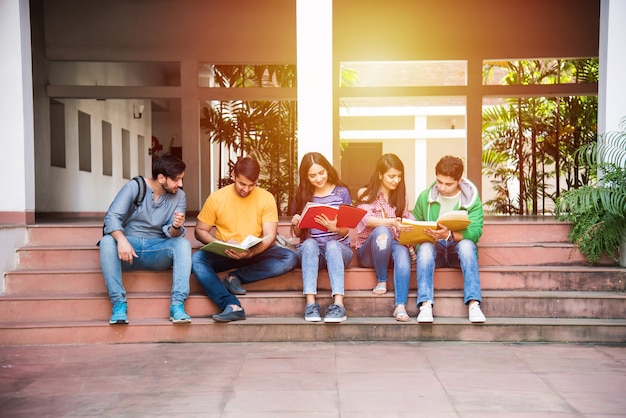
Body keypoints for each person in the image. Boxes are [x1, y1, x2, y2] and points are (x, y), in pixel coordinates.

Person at [192, 156, 298, 322]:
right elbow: (199, 231)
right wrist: (221, 244)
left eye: (252, 185)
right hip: (224, 252)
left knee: (289, 257)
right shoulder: (217, 198)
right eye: (242, 184)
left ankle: (236, 277)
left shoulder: (266, 198)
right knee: (197, 260)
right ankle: (231, 305)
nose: (246, 189)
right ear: (233, 175)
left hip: (254, 252)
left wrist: (249, 253)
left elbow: (269, 236)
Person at [100, 154, 192, 325]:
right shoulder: (135, 186)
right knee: (107, 242)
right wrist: (121, 240)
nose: (180, 184)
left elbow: (172, 233)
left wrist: (176, 227)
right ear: (161, 178)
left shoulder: (179, 196)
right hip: (129, 250)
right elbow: (112, 217)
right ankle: (119, 304)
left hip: (156, 250)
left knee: (183, 244)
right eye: (177, 180)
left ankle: (177, 305)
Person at [412, 155, 486, 323]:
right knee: (423, 248)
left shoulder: (471, 199)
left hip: (456, 249)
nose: (442, 187)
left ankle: (474, 303)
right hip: (433, 249)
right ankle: (425, 304)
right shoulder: (426, 197)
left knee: (467, 245)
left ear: (459, 180)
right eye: (439, 182)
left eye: (448, 184)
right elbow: (416, 222)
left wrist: (450, 235)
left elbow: (475, 232)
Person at [290, 152, 354, 323]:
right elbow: (298, 235)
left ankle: (339, 305)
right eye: (312, 175)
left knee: (332, 245)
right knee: (309, 243)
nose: (318, 178)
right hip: (314, 254)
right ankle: (310, 304)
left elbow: (346, 230)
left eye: (321, 173)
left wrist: (335, 227)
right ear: (305, 177)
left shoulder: (342, 192)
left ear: (328, 170)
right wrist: (297, 223)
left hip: (339, 250)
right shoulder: (302, 195)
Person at [355, 153, 415, 322]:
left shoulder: (402, 197)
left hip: (393, 246)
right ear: (380, 175)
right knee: (383, 230)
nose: (396, 180)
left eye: (399, 176)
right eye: (391, 176)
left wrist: (412, 227)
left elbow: (404, 218)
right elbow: (365, 219)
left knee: (402, 251)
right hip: (369, 252)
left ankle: (400, 305)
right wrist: (392, 222)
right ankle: (382, 279)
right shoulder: (366, 193)